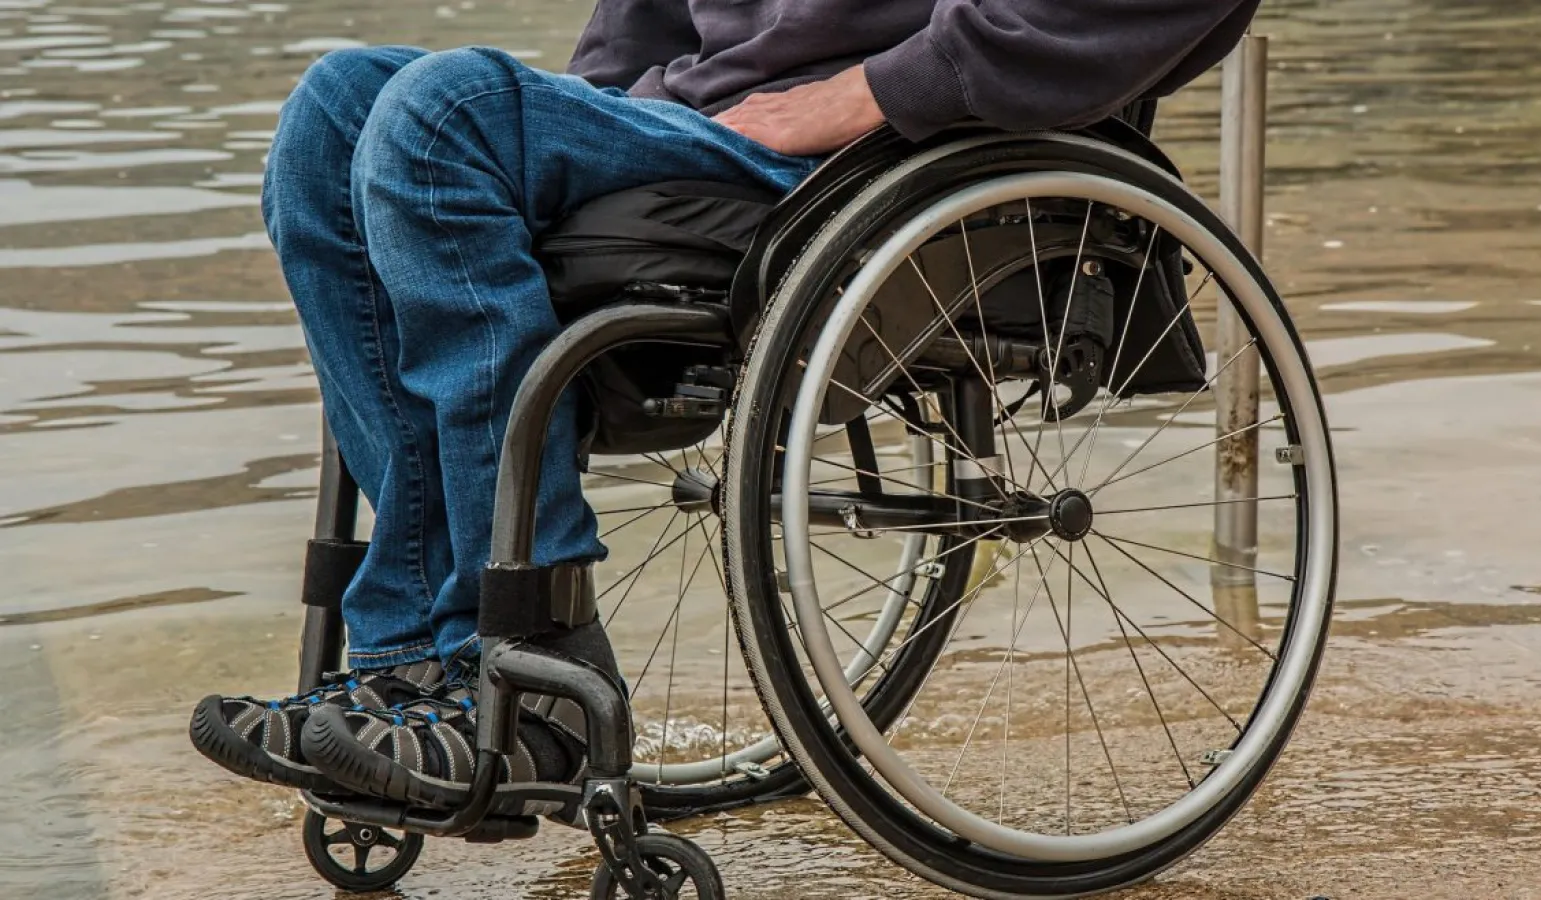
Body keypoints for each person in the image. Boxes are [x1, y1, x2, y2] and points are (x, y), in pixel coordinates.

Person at [190, 0, 1259, 808]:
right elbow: (639, 25)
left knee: (443, 113)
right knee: (334, 108)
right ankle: (413, 664)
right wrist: (589, 117)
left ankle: (540, 668)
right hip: (710, 127)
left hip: (885, 148)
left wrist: (889, 85)